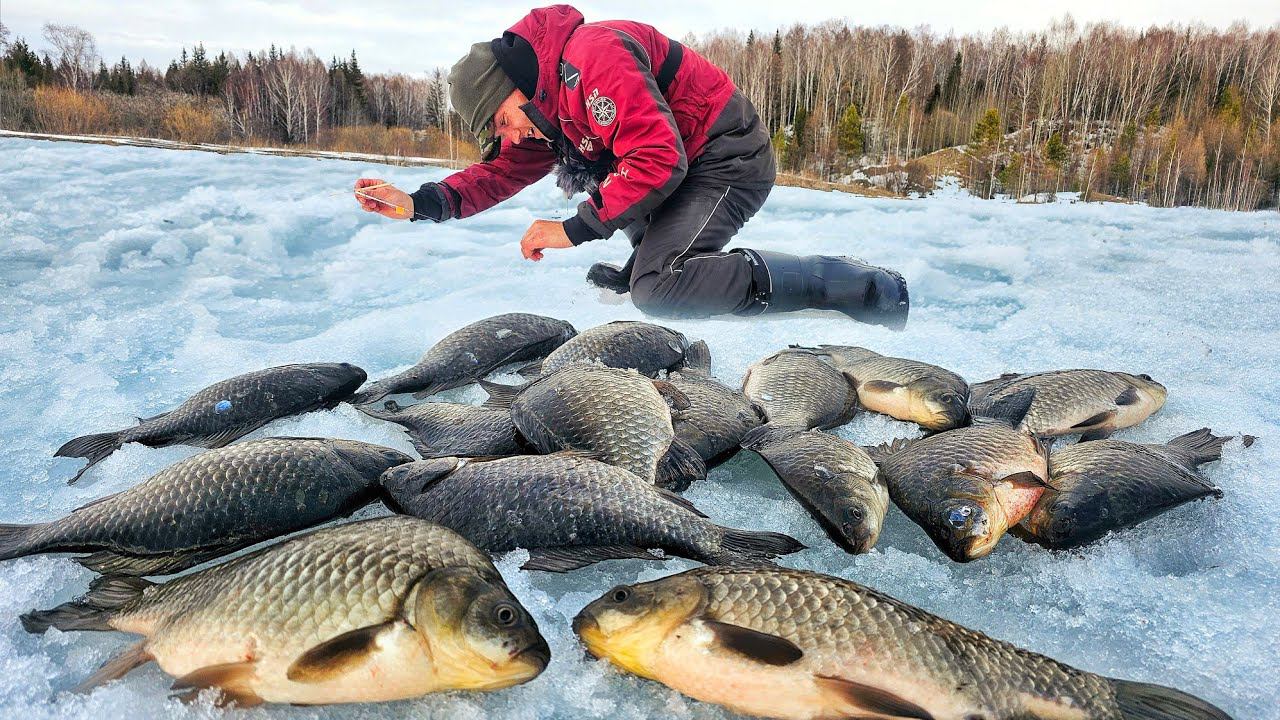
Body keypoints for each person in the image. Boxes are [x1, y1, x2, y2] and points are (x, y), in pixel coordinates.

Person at [354, 4, 908, 328]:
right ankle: (654, 257)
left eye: (502, 120)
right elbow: (499, 172)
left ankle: (847, 285)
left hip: (726, 157)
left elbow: (658, 158)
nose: (510, 136)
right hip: (681, 168)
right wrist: (419, 203)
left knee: (658, 288)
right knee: (630, 219)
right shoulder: (545, 107)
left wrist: (575, 228)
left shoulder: (592, 56)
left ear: (515, 86)